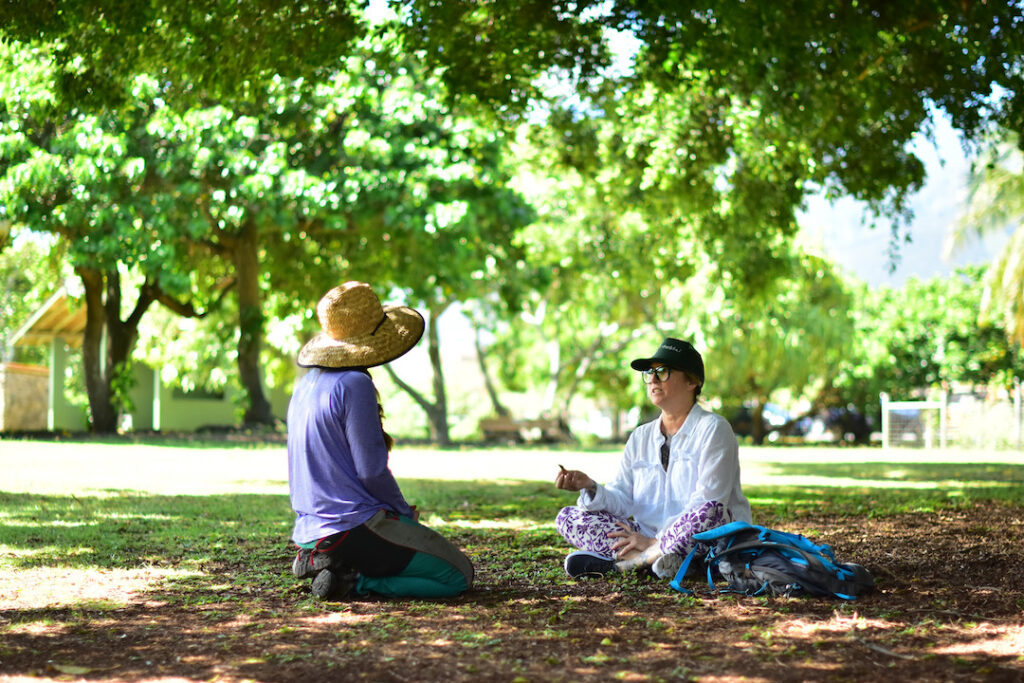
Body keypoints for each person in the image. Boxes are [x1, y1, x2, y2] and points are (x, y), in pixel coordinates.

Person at [287, 281, 474, 600]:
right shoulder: (354, 383)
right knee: (457, 574)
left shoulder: (306, 383)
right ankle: (355, 582)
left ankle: (334, 562)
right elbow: (371, 470)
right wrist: (401, 511)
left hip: (308, 531)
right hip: (353, 527)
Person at [554, 337, 751, 580]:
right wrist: (590, 487)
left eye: (663, 371)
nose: (653, 379)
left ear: (692, 381)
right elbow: (623, 500)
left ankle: (635, 562)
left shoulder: (714, 429)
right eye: (649, 373)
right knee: (568, 517)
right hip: (643, 535)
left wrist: (656, 541)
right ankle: (662, 562)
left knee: (709, 512)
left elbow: (709, 502)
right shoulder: (640, 437)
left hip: (704, 539)